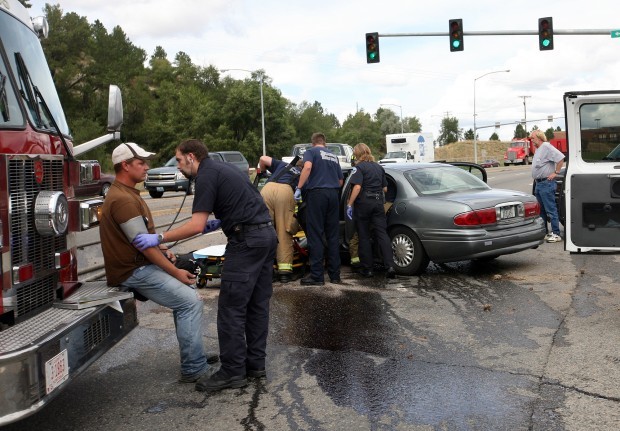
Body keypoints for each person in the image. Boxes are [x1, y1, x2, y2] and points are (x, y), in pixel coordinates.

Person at [133, 139, 277, 393]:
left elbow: (196, 226)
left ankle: (233, 372)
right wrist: (221, 221)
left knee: (232, 309)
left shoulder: (206, 176)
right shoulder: (225, 169)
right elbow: (244, 202)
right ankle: (255, 366)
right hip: (265, 237)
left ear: (191, 157)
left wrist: (159, 238)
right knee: (256, 305)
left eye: (178, 160)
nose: (178, 167)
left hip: (246, 242)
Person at [99, 142, 218, 384]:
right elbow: (144, 246)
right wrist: (174, 271)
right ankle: (194, 368)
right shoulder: (123, 199)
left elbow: (141, 240)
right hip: (133, 271)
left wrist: (163, 248)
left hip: (139, 264)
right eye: (141, 163)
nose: (147, 167)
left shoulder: (128, 192)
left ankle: (195, 357)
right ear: (125, 165)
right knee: (189, 302)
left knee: (187, 297)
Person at [294, 132, 343, 286]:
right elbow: (340, 181)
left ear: (313, 142)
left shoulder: (311, 152)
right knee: (333, 236)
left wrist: (299, 187)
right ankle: (335, 275)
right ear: (324, 142)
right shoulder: (333, 156)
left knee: (315, 234)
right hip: (333, 195)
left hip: (317, 195)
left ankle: (317, 276)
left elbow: (307, 167)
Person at [346, 143, 396, 279]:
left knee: (364, 236)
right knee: (382, 234)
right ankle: (390, 266)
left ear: (357, 154)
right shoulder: (379, 167)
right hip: (378, 203)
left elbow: (357, 187)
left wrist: (350, 204)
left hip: (364, 204)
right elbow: (385, 189)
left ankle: (367, 270)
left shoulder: (359, 167)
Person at [258, 155, 302, 283]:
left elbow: (263, 159)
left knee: (266, 231)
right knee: (283, 232)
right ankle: (284, 273)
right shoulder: (303, 175)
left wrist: (263, 172)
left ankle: (267, 271)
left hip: (266, 190)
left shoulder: (283, 165)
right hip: (285, 191)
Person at [530, 129, 565, 243]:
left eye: (533, 138)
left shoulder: (546, 147)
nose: (531, 140)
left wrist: (556, 172)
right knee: (541, 211)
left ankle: (556, 234)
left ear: (539, 138)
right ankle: (545, 232)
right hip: (539, 184)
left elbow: (560, 158)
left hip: (546, 183)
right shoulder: (538, 149)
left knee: (551, 209)